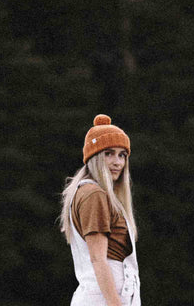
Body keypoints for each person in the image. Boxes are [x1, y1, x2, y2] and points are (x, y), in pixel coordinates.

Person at [60, 114, 141, 306]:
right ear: (94, 156)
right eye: (109, 153)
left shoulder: (93, 193)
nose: (117, 162)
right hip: (105, 299)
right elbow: (98, 259)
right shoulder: (93, 194)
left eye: (122, 155)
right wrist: (115, 304)